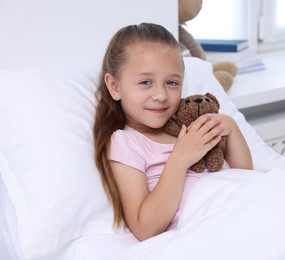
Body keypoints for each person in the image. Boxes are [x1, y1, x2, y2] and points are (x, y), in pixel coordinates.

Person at [93, 23, 253, 242]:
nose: (160, 95)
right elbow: (145, 228)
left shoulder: (191, 127)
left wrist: (231, 128)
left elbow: (246, 179)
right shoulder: (127, 143)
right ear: (115, 86)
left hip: (243, 206)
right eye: (145, 82)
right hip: (213, 226)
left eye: (171, 82)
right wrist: (179, 160)